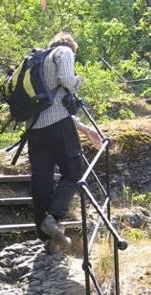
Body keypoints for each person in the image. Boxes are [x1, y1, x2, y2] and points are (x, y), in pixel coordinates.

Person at [27, 31, 103, 254]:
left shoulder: (37, 64)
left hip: (34, 132)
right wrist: (80, 80)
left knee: (42, 182)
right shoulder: (64, 51)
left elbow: (52, 106)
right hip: (59, 127)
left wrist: (85, 129)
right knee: (74, 172)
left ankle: (47, 239)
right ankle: (53, 218)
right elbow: (68, 81)